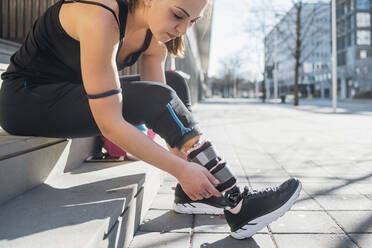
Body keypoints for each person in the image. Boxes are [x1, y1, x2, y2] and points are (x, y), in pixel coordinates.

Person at [0, 0, 302, 239]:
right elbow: (112, 122)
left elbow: (164, 106)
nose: (183, 29)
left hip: (73, 95)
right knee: (160, 96)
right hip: (26, 101)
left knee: (175, 85)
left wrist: (187, 171)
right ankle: (237, 201)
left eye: (191, 22)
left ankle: (193, 194)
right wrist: (181, 168)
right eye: (177, 15)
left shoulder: (155, 35)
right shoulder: (100, 14)